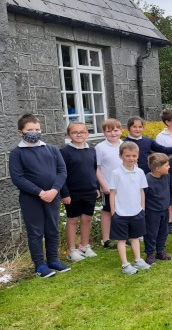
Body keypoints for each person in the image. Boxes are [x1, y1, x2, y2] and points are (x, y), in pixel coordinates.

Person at [9, 113, 69, 278]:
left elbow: (62, 171)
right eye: (30, 129)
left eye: (37, 129)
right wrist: (40, 192)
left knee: (53, 229)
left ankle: (53, 260)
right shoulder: (17, 153)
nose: (34, 132)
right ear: (20, 132)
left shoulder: (51, 149)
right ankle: (40, 265)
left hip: (53, 196)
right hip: (31, 199)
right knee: (35, 232)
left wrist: (55, 190)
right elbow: (18, 178)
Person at [60, 122, 99, 262]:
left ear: (87, 134)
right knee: (72, 220)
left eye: (82, 132)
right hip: (72, 192)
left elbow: (95, 170)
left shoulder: (92, 150)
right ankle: (71, 250)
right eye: (75, 132)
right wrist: (64, 193)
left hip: (89, 190)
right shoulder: (64, 152)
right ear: (68, 135)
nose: (79, 134)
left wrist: (97, 187)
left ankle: (84, 245)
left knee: (87, 218)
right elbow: (61, 173)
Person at [109, 141, 150, 275]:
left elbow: (141, 191)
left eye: (134, 156)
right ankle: (125, 264)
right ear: (121, 156)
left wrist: (142, 208)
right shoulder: (116, 173)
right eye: (127, 156)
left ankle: (138, 260)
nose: (131, 158)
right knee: (121, 239)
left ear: (137, 156)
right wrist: (113, 211)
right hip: (120, 213)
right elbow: (112, 193)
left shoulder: (140, 172)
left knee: (135, 237)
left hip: (136, 211)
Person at [95, 118, 124, 249]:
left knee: (123, 211)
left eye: (116, 130)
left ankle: (123, 236)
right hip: (109, 187)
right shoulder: (100, 147)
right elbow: (98, 169)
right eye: (109, 131)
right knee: (107, 212)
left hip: (124, 186)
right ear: (104, 132)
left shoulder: (124, 145)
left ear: (121, 131)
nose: (113, 134)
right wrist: (104, 186)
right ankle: (106, 239)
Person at [143, 153, 172, 265]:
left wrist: (171, 203)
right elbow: (143, 196)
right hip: (152, 212)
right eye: (166, 165)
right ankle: (150, 254)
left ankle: (160, 251)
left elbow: (169, 190)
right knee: (151, 233)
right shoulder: (147, 179)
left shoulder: (167, 176)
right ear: (157, 168)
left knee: (163, 231)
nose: (169, 167)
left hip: (164, 209)